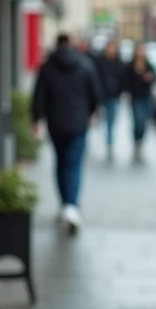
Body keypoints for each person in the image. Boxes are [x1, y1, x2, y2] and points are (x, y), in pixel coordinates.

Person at [31, 33, 102, 234]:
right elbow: (96, 93)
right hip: (79, 123)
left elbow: (39, 95)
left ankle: (65, 204)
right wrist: (93, 112)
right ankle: (71, 205)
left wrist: (36, 119)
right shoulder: (85, 64)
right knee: (74, 165)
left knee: (61, 163)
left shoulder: (47, 67)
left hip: (56, 123)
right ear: (70, 45)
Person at [124, 43, 156, 163]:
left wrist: (149, 77)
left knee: (144, 121)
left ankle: (140, 142)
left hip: (146, 97)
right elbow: (126, 80)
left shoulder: (148, 65)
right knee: (138, 120)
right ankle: (137, 141)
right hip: (136, 97)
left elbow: (155, 77)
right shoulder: (130, 65)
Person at [93, 39, 127, 159]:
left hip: (114, 96)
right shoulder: (100, 61)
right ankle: (107, 139)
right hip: (102, 95)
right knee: (102, 119)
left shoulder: (119, 63)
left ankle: (109, 142)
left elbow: (123, 78)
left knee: (111, 120)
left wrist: (121, 91)